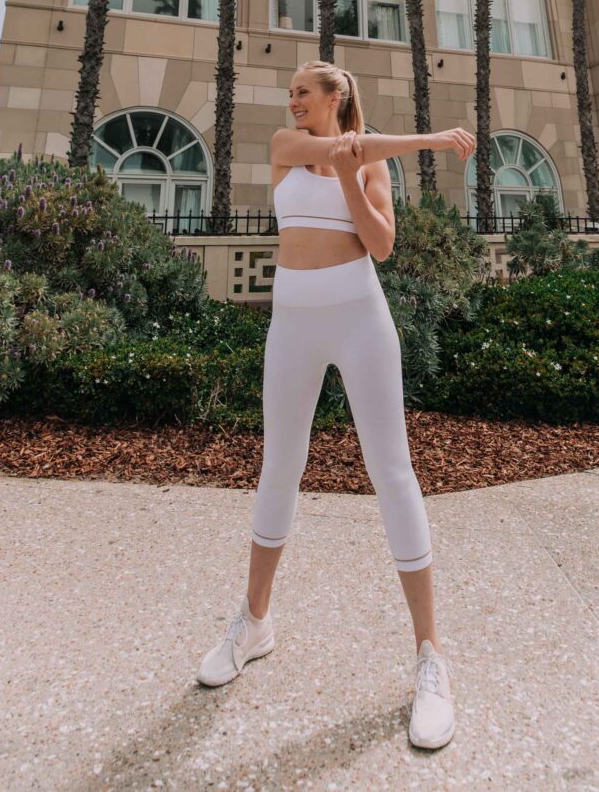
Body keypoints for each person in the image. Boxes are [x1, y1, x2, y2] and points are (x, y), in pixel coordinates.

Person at [196, 61, 475, 752]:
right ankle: (254, 622)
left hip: (358, 314)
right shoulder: (286, 147)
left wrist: (367, 166)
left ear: (335, 97)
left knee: (393, 472)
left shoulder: (367, 163)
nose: (291, 99)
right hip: (292, 319)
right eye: (290, 92)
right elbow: (333, 150)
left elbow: (379, 243)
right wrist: (427, 140)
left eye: (302, 91)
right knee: (279, 467)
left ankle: (429, 657)